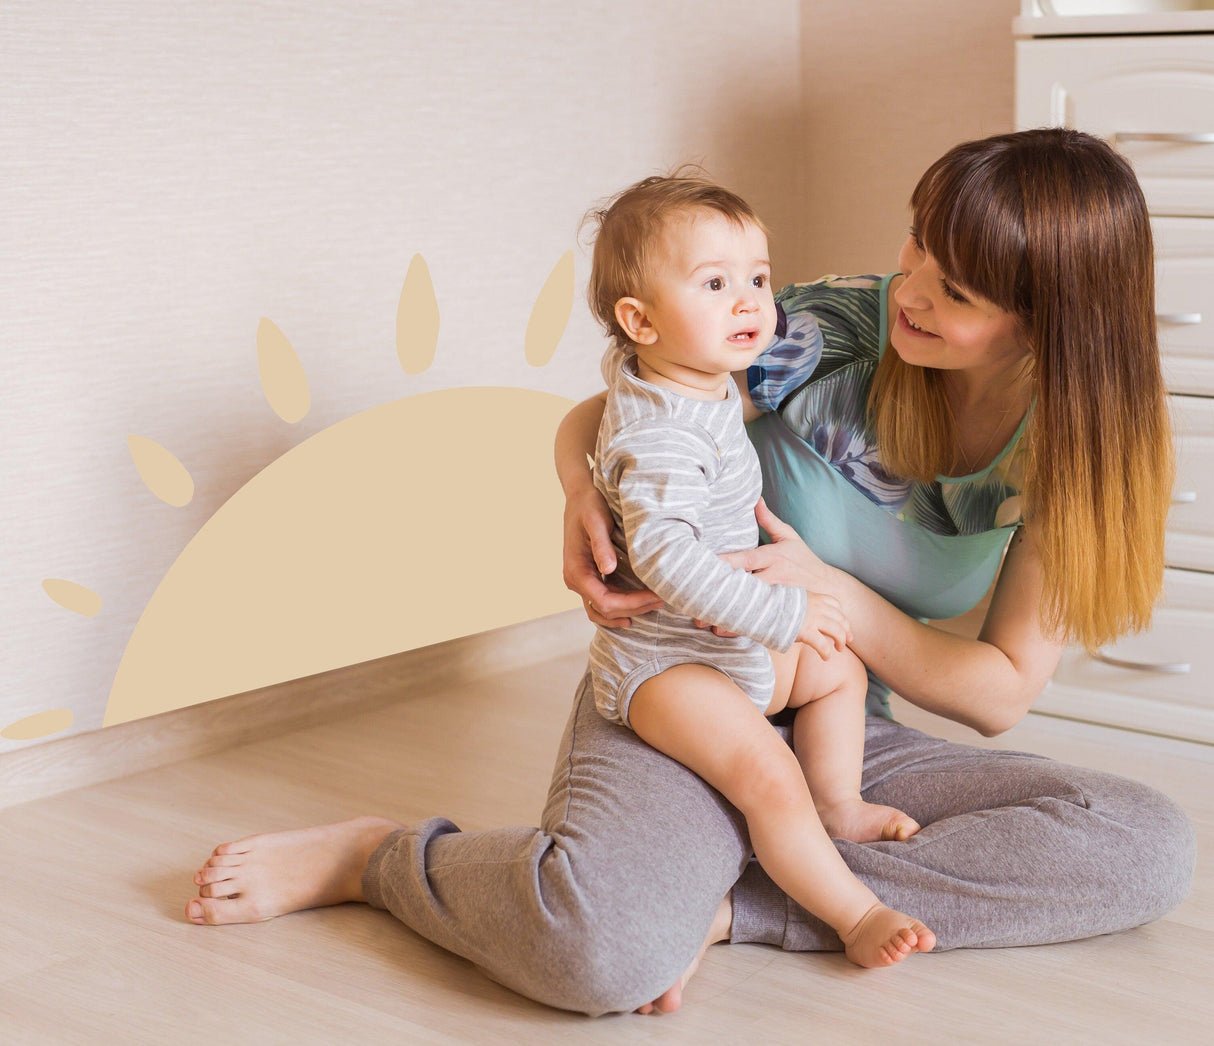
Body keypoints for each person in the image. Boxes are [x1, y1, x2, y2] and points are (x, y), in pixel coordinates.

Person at [185, 129, 1196, 1018]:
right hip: (685, 688)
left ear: (1047, 322)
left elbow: (999, 691)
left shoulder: (1083, 446)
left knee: (1140, 844)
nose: (911, 288)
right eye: (917, 245)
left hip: (837, 718)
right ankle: (378, 858)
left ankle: (735, 900)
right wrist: (580, 490)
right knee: (597, 953)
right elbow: (627, 404)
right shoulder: (840, 326)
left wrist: (830, 606)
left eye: (956, 289)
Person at [581, 173, 931, 967]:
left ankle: (837, 804)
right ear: (639, 320)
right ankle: (854, 913)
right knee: (768, 774)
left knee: (837, 671)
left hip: (728, 642)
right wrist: (784, 614)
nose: (751, 302)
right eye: (715, 284)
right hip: (668, 665)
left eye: (759, 279)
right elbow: (668, 560)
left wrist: (789, 628)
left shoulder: (695, 381)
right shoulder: (661, 435)